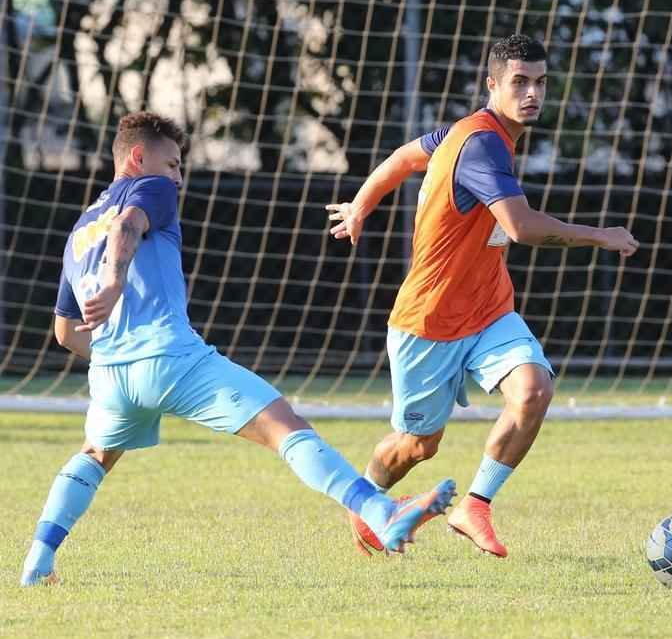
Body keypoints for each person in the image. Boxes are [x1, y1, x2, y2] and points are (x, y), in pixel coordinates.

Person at [20, 112, 455, 587]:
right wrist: (114, 281)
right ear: (139, 157)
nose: (178, 177)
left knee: (93, 457)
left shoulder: (78, 232)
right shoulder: (150, 189)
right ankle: (380, 510)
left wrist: (115, 348)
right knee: (283, 427)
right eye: (172, 164)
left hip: (109, 374)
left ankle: (38, 562)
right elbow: (127, 226)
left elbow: (65, 332)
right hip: (168, 358)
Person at [327, 33, 638, 558]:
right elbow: (518, 226)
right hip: (429, 321)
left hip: (490, 309)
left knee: (535, 389)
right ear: (492, 85)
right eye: (519, 82)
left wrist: (361, 205)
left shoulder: (466, 133)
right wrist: (598, 234)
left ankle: (475, 505)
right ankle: (366, 506)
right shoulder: (482, 144)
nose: (532, 93)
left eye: (540, 83)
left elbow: (404, 158)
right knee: (417, 447)